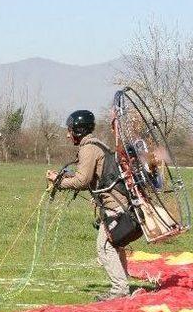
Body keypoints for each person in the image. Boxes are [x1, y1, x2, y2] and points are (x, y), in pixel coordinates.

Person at [46, 110, 132, 301]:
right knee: (115, 245)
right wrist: (62, 177)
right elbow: (87, 178)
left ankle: (120, 290)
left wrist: (58, 182)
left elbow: (82, 181)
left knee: (105, 247)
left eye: (70, 131)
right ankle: (124, 283)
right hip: (117, 204)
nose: (68, 135)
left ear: (78, 130)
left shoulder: (88, 149)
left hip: (114, 206)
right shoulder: (96, 145)